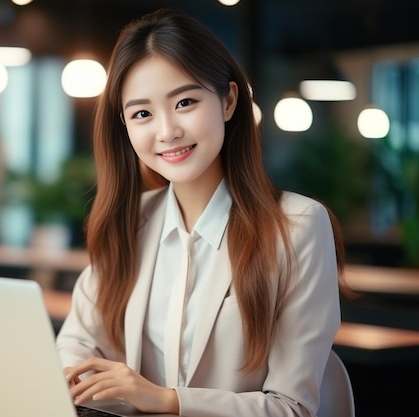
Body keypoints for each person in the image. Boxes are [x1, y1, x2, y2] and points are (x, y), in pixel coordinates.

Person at [56, 8, 350, 417]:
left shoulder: (297, 227)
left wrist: (165, 400)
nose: (167, 131)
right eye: (142, 113)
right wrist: (75, 380)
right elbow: (75, 348)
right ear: (124, 126)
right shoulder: (130, 222)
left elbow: (291, 408)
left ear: (229, 101)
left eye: (186, 102)